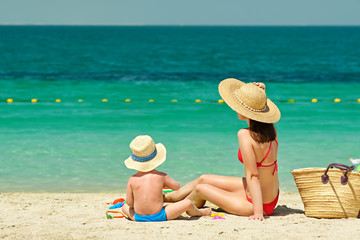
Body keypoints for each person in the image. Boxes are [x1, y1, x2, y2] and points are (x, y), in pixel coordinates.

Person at [164, 78, 281, 221]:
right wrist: (260, 93)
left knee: (201, 189)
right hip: (270, 197)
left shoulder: (245, 134)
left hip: (256, 203)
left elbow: (253, 176)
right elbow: (261, 109)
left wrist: (258, 212)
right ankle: (171, 196)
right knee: (203, 178)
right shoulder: (270, 131)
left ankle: (176, 205)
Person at [121, 135, 211, 222]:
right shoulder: (161, 176)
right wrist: (163, 184)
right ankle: (200, 212)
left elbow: (130, 203)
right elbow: (177, 187)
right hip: (160, 215)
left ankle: (133, 217)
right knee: (188, 203)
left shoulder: (132, 179)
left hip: (138, 217)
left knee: (124, 207)